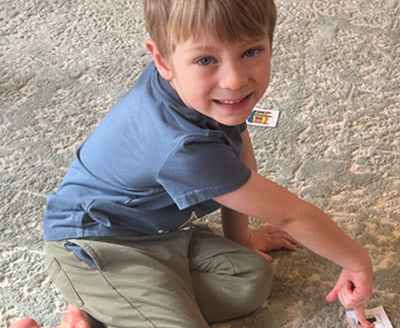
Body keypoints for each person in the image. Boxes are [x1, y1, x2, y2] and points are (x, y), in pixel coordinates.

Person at [11, 0, 374, 327]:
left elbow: (239, 154)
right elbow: (291, 214)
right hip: (92, 247)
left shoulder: (199, 93)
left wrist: (241, 237)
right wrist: (357, 261)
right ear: (163, 61)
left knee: (249, 277)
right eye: (206, 60)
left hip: (157, 236)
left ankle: (106, 311)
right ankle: (105, 299)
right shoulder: (182, 145)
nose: (235, 80)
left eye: (250, 51)